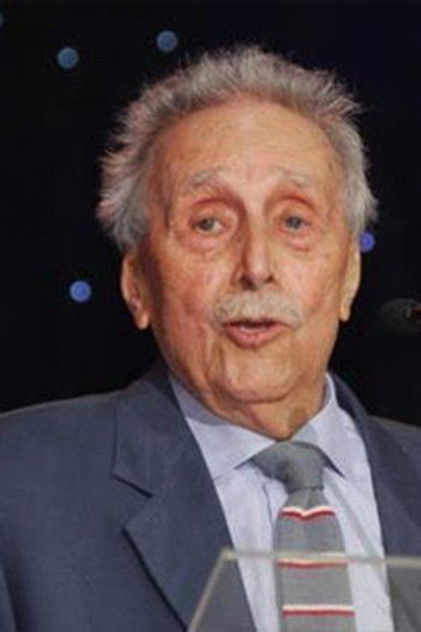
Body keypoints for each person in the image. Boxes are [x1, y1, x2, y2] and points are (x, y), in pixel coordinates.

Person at [1, 45, 421, 632]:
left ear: (349, 274)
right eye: (209, 223)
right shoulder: (19, 486)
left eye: (294, 221)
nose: (256, 266)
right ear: (137, 283)